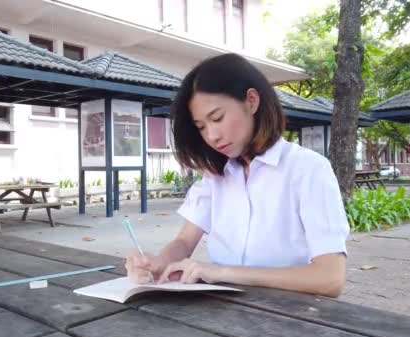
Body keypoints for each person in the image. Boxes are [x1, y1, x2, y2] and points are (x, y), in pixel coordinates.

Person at [126, 53, 349, 298]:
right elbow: (184, 242)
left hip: (290, 315)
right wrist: (159, 263)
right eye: (201, 127)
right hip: (221, 312)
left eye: (217, 118)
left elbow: (330, 278)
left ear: (251, 101)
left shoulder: (308, 169)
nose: (211, 135)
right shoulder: (216, 175)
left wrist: (223, 272)